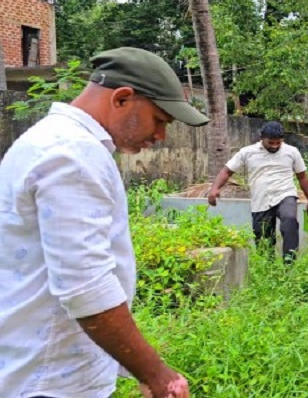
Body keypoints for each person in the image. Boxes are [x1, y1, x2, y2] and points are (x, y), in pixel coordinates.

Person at [0, 47, 207, 398]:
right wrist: (157, 375)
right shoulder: (72, 154)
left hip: (42, 364)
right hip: (50, 379)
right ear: (123, 98)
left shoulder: (50, 140)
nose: (161, 137)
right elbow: (86, 287)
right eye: (160, 120)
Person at [208, 121, 308, 261]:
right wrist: (215, 189)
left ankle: (289, 263)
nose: (275, 146)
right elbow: (227, 171)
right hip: (260, 200)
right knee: (263, 240)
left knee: (289, 219)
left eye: (278, 142)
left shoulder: (291, 152)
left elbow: (302, 177)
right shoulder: (247, 152)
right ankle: (269, 270)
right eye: (271, 143)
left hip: (285, 193)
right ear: (261, 138)